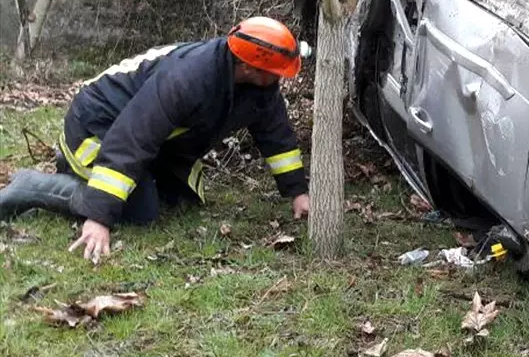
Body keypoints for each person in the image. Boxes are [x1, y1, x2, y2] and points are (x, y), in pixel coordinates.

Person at [0, 17, 311, 263]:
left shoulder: (259, 87)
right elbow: (134, 135)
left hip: (141, 134)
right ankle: (34, 186)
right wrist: (98, 217)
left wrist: (298, 192)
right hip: (95, 127)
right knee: (141, 212)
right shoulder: (188, 78)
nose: (280, 78)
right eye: (275, 72)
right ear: (249, 67)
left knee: (179, 197)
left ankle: (102, 186)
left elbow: (276, 134)